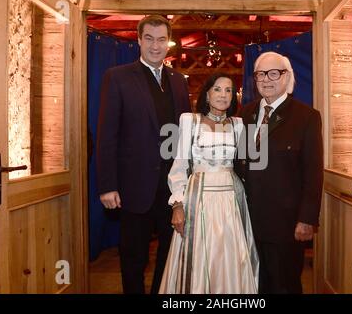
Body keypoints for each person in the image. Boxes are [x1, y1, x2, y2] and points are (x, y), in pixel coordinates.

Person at [96, 15, 190, 294]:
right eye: (149, 38)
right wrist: (107, 185)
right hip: (133, 186)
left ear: (168, 44)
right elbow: (106, 135)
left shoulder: (178, 80)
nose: (155, 45)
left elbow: (185, 135)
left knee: (169, 254)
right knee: (134, 257)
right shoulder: (118, 77)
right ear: (138, 40)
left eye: (161, 39)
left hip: (172, 188)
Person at [159, 73, 259, 294]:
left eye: (228, 90)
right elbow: (179, 166)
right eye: (217, 89)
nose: (223, 95)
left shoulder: (239, 125)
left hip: (231, 202)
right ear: (206, 94)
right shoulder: (189, 121)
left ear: (234, 97)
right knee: (199, 258)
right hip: (198, 199)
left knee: (230, 257)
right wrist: (177, 205)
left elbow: (254, 165)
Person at [238, 51, 323, 294]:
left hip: (286, 224)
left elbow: (313, 172)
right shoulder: (246, 113)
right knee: (256, 282)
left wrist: (307, 218)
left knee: (284, 284)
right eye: (260, 74)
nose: (266, 79)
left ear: (287, 77)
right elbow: (242, 162)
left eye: (274, 73)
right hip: (249, 221)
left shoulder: (306, 117)